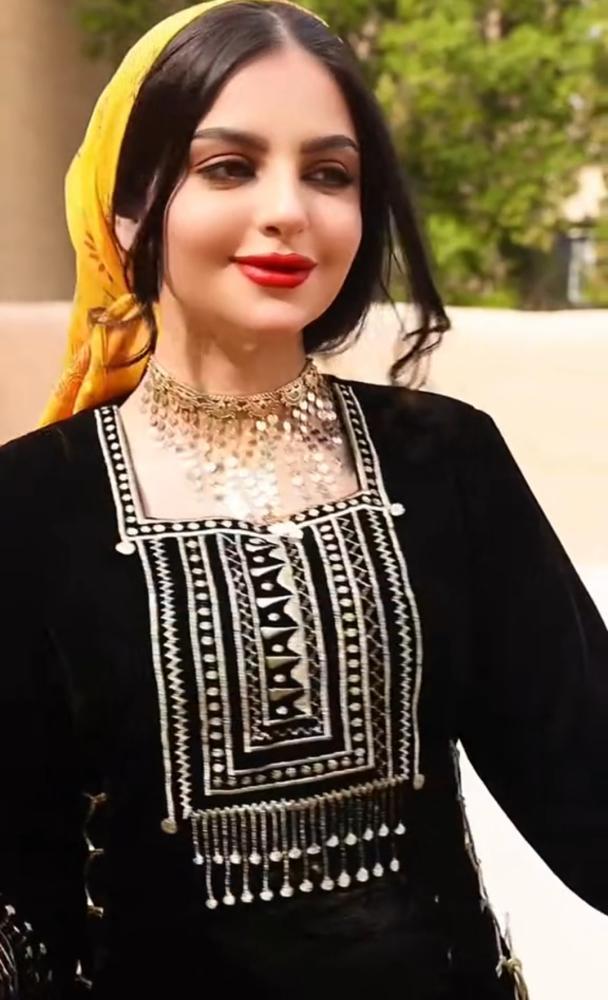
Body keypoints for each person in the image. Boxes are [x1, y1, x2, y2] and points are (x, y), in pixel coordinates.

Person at [1, 1, 606, 997]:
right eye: (228, 166)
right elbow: (20, 883)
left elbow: (585, 779)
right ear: (126, 207)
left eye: (329, 173)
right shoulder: (30, 505)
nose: (288, 209)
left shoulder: (444, 461)